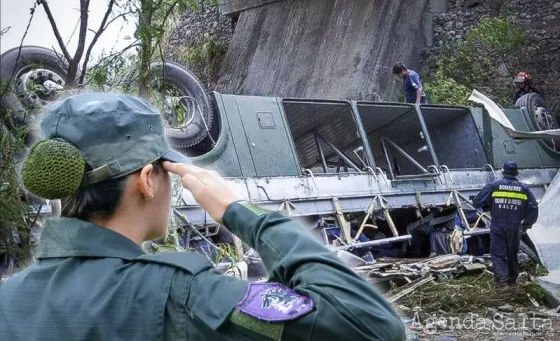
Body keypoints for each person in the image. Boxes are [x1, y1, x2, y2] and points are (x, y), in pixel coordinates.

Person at [0, 92, 406, 341]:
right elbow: (370, 327)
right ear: (147, 179)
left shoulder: (8, 298)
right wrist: (242, 212)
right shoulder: (182, 295)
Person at [472, 160, 539, 286]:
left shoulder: (494, 185)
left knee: (498, 254)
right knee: (513, 254)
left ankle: (502, 284)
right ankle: (512, 282)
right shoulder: (524, 189)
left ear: (502, 171)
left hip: (497, 225)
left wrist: (489, 205)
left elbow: (477, 202)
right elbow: (533, 208)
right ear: (517, 173)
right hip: (515, 226)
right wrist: (526, 224)